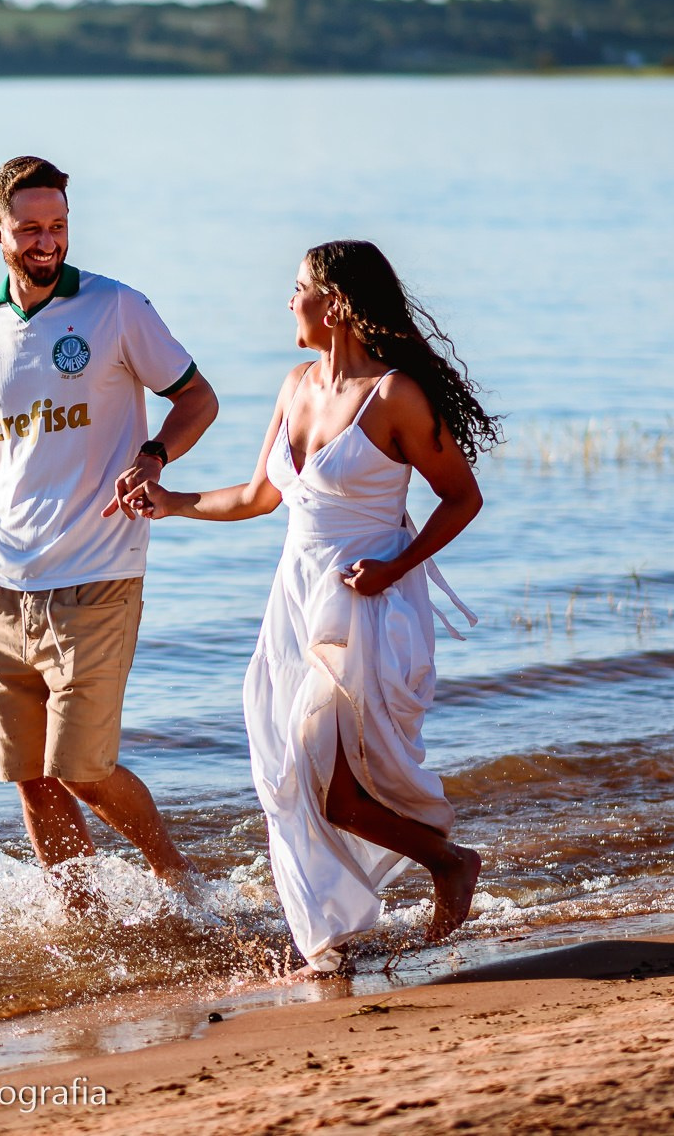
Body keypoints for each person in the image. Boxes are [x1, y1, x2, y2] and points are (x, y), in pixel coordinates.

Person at [129, 240, 499, 972]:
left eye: (297, 288)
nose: (287, 301)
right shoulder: (295, 384)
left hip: (368, 606)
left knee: (314, 764)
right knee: (298, 776)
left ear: (335, 304)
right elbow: (259, 496)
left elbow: (463, 497)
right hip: (296, 601)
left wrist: (396, 564)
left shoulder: (395, 395)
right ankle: (336, 934)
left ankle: (449, 863)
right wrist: (171, 503)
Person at [0, 155, 219, 905]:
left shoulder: (115, 308)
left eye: (59, 226)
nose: (47, 241)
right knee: (31, 774)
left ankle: (182, 884)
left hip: (100, 574)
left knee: (84, 768)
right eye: (31, 227)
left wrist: (154, 455)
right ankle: (84, 919)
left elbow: (198, 397)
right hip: (6, 586)